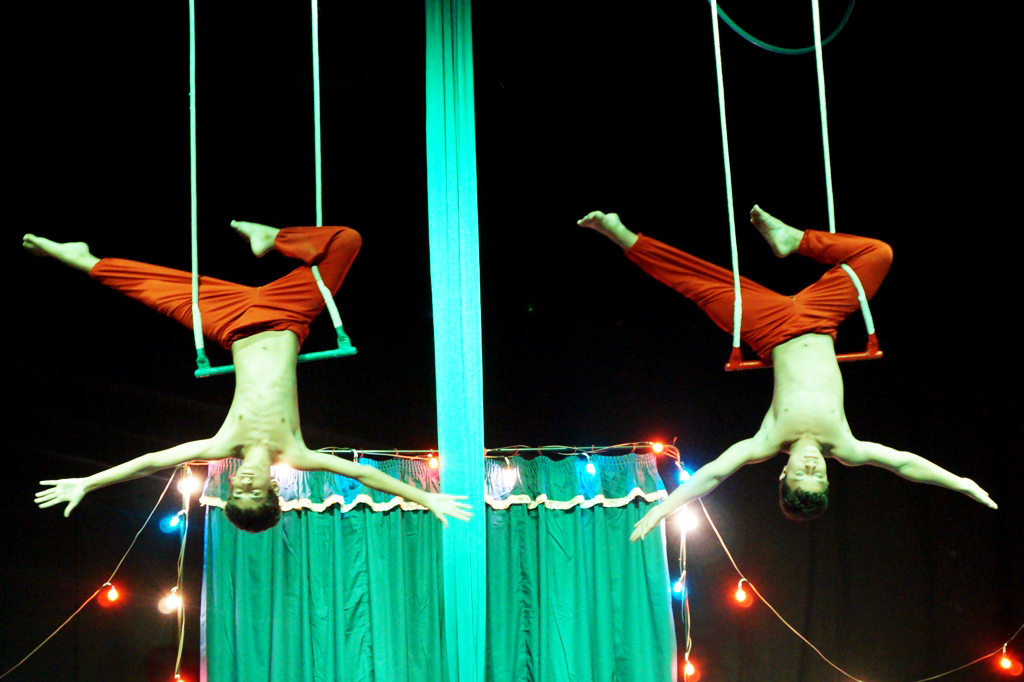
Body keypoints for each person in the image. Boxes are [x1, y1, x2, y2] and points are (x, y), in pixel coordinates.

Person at [25, 221, 472, 533]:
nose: (242, 486)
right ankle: (273, 238)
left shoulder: (222, 444)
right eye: (254, 494)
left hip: (231, 323)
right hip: (286, 315)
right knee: (347, 239)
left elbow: (151, 462)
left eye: (236, 494)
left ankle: (84, 259)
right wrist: (425, 498)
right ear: (273, 489)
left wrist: (88, 482)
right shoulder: (295, 451)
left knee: (150, 288)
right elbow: (365, 475)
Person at [577, 206, 996, 538]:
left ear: (784, 472)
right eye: (818, 476)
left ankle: (623, 236)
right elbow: (903, 464)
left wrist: (664, 510)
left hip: (769, 328)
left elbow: (715, 472)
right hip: (821, 317)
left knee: (698, 284)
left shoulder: (769, 440)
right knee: (879, 254)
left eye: (801, 474)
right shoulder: (845, 445)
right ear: (829, 478)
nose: (811, 466)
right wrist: (960, 482)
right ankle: (794, 240)